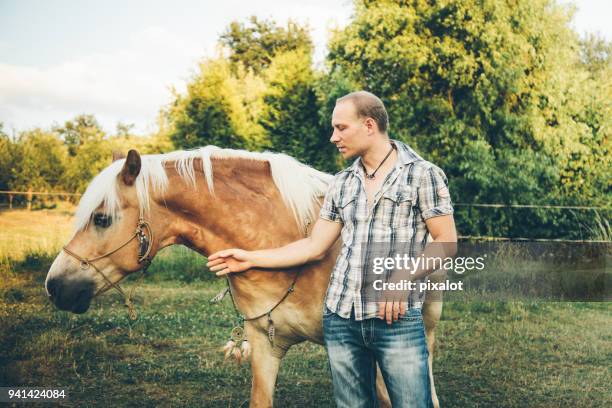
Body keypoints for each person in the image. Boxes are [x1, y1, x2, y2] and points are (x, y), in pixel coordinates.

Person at [207, 91, 457, 407]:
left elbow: (446, 241)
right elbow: (314, 245)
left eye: (341, 128)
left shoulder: (423, 174)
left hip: (396, 318)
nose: (333, 137)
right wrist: (249, 257)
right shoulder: (342, 182)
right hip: (341, 319)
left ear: (369, 125)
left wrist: (403, 277)